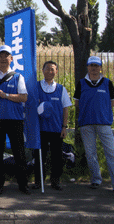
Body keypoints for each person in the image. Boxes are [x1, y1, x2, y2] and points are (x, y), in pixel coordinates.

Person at [74, 56, 114, 193]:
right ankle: (96, 179)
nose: (94, 68)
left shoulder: (107, 83)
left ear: (100, 67)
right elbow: (77, 102)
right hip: (86, 124)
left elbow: (112, 101)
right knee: (91, 154)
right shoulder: (82, 83)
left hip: (104, 123)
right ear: (88, 67)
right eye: (91, 65)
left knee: (112, 153)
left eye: (96, 65)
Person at [0, 45, 29, 195]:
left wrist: (5, 95)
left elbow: (24, 97)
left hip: (15, 119)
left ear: (11, 58)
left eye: (6, 56)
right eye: (0, 55)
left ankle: (23, 184)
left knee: (19, 153)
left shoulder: (18, 77)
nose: (3, 58)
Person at [32, 61, 71, 191]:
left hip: (56, 129)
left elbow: (66, 108)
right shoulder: (36, 87)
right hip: (40, 129)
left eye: (52, 69)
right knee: (39, 156)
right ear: (42, 70)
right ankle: (39, 181)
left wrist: (64, 126)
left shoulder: (61, 89)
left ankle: (55, 181)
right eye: (47, 69)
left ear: (56, 72)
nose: (50, 71)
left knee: (56, 157)